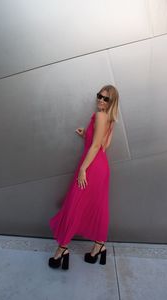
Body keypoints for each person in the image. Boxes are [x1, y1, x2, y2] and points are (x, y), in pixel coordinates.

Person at [48, 84, 119, 270]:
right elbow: (103, 145)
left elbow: (97, 147)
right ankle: (99, 246)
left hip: (91, 168)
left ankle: (62, 249)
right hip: (101, 168)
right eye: (99, 96)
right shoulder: (110, 119)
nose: (101, 100)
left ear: (111, 102)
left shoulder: (101, 116)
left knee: (73, 205)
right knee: (98, 206)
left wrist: (83, 169)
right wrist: (85, 135)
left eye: (105, 99)